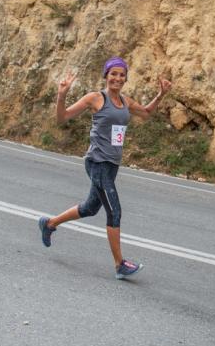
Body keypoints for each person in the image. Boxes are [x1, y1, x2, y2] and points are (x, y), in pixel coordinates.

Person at [38, 57, 172, 279]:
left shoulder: (126, 101)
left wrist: (161, 94)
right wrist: (61, 95)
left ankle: (49, 224)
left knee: (90, 207)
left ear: (126, 78)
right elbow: (62, 118)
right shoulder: (95, 98)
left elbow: (146, 113)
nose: (117, 78)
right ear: (106, 75)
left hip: (111, 165)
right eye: (113, 74)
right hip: (97, 162)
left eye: (122, 74)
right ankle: (120, 265)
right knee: (114, 211)